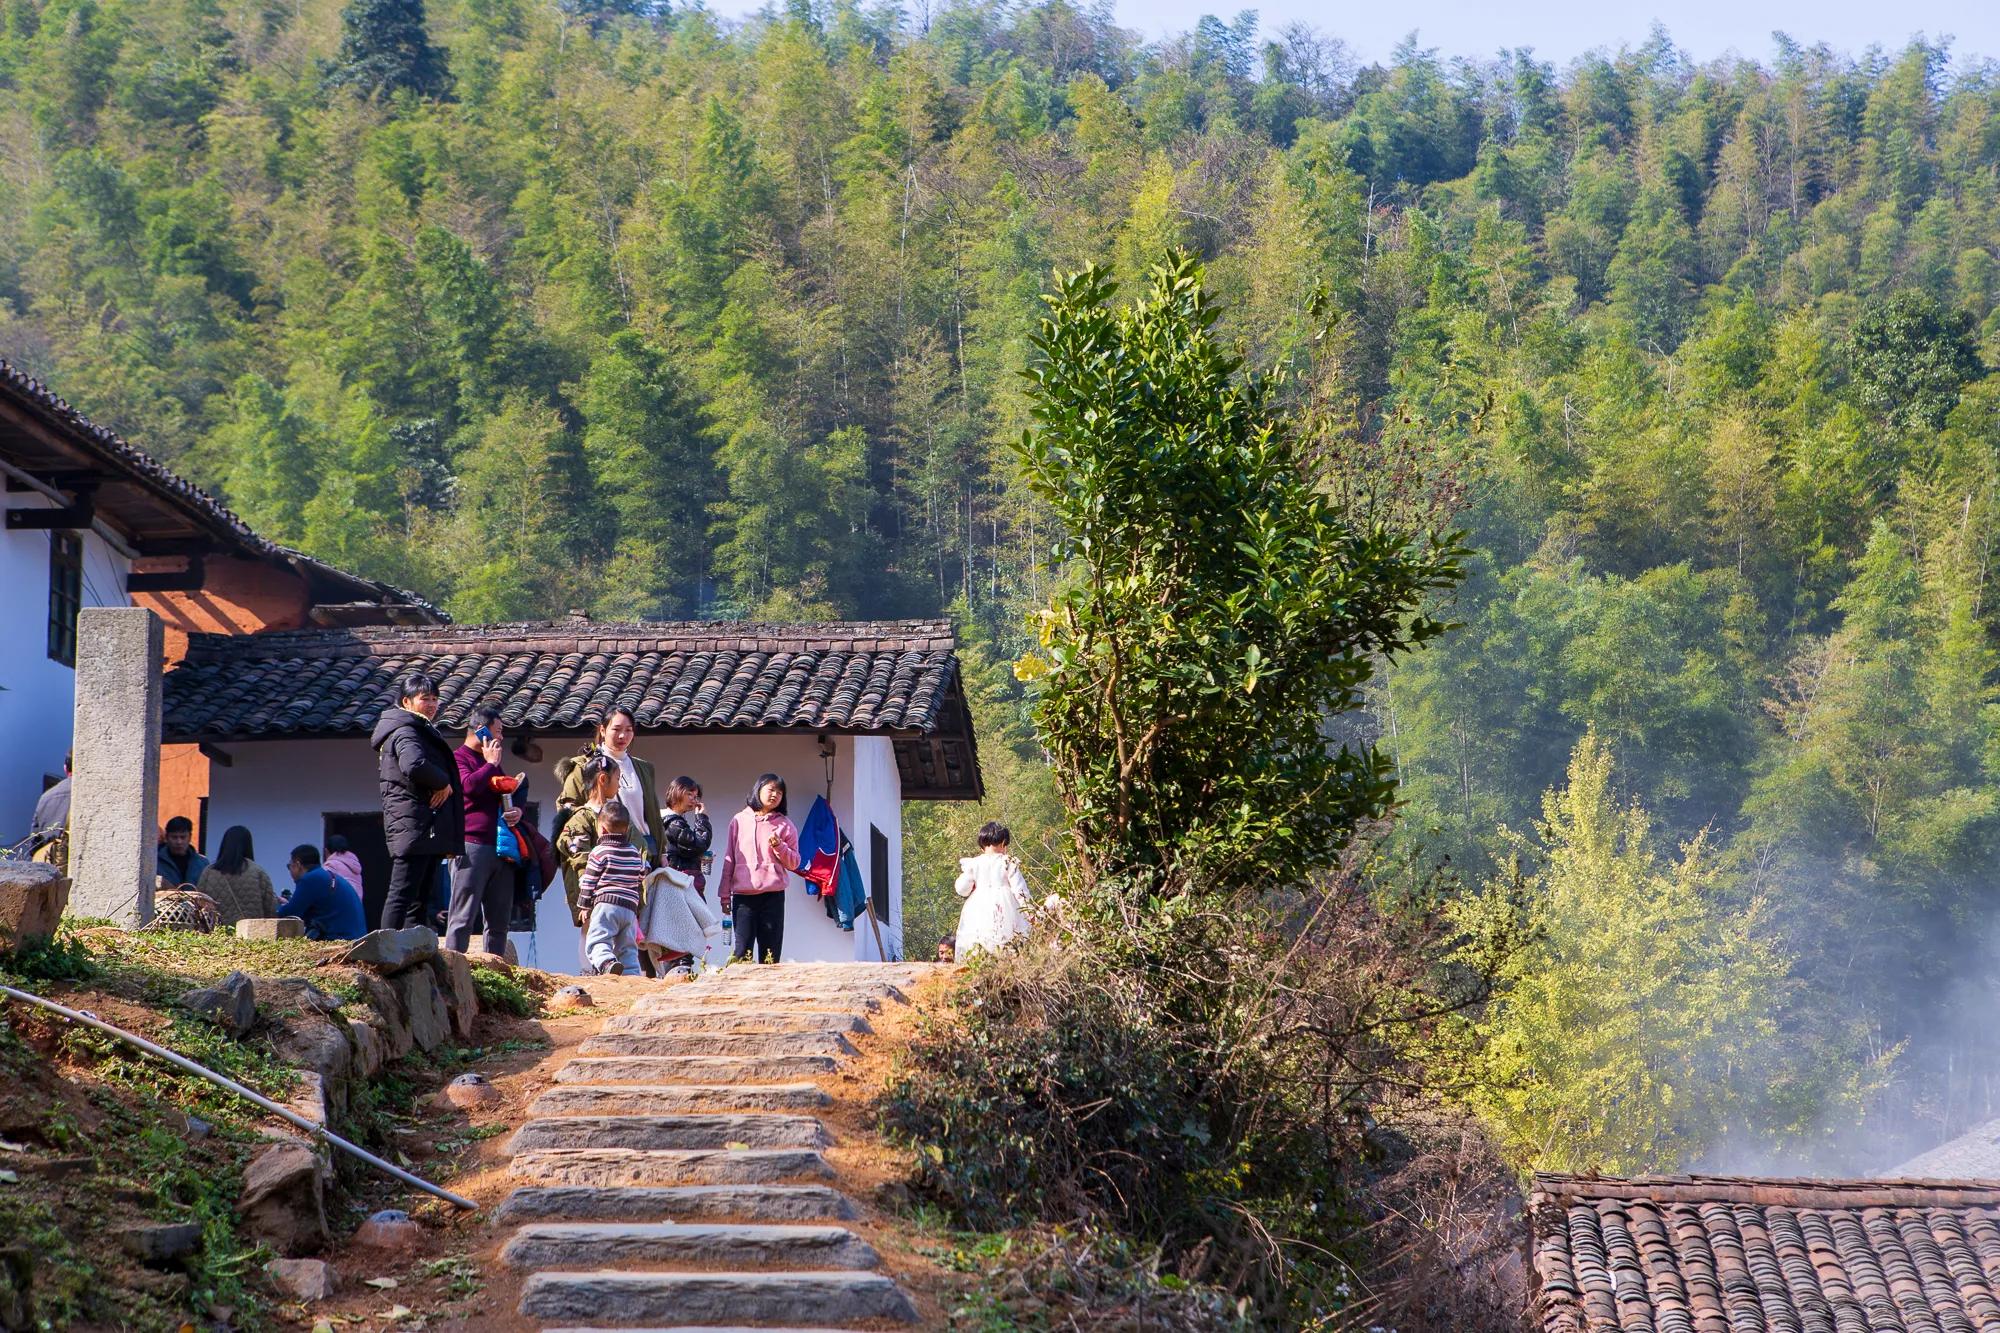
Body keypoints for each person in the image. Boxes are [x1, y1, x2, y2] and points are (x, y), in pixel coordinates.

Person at [372, 672, 463, 931]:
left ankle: (413, 951)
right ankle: (385, 949)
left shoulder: (417, 729)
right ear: (406, 702)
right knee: (402, 894)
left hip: (423, 823)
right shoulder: (405, 730)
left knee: (419, 898)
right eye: (425, 698)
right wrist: (443, 783)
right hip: (412, 823)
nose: (432, 704)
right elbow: (414, 764)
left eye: (435, 698)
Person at [444, 706, 526, 956]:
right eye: (498, 731)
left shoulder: (492, 762)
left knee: (499, 920)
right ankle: (453, 970)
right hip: (472, 845)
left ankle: (496, 975)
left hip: (500, 846)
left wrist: (517, 810)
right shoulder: (458, 758)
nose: (500, 738)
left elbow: (502, 794)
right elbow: (468, 787)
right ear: (481, 730)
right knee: (463, 916)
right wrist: (490, 764)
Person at [556, 706, 667, 865]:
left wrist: (662, 852)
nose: (623, 735)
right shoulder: (583, 766)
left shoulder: (644, 768)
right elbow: (568, 810)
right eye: (616, 729)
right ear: (602, 730)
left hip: (644, 852)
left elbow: (653, 813)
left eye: (629, 730)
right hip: (605, 853)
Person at [716, 774, 799, 964]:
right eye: (771, 789)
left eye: (780, 792)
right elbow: (730, 859)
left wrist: (780, 846)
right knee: (742, 950)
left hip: (773, 896)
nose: (775, 795)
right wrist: (724, 895)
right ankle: (739, 991)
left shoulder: (785, 825)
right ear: (758, 789)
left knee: (770, 952)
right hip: (743, 897)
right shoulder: (738, 820)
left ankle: (770, 991)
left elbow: (794, 863)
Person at [578, 799, 647, 976]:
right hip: (629, 909)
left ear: (601, 829)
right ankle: (632, 975)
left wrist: (584, 905)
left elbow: (589, 880)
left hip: (606, 905)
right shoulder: (634, 851)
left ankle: (607, 962)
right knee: (628, 948)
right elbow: (640, 876)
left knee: (597, 941)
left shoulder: (599, 851)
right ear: (626, 829)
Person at [953, 821, 1032, 958]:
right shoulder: (1008, 862)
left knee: (979, 936)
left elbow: (962, 889)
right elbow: (1020, 890)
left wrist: (972, 887)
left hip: (979, 905)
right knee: (1006, 935)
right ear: (1003, 843)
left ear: (982, 844)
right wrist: (1030, 911)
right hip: (1005, 905)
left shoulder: (974, 863)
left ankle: (980, 961)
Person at [196, 825, 278, 926]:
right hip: (252, 933)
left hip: (217, 934)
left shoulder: (209, 872)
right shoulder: (258, 872)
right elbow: (270, 908)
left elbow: (198, 903)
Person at [281, 845, 366, 941]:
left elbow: (290, 913)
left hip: (341, 940)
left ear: (298, 865)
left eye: (289, 866)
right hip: (357, 938)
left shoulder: (310, 879)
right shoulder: (327, 875)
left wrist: (274, 906)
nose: (290, 871)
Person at [156, 815, 211, 889]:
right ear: (167, 837)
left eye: (183, 837)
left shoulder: (202, 863)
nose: (179, 842)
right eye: (174, 837)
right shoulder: (156, 862)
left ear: (190, 837)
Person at [31, 753, 70, 847]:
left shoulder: (45, 798)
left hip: (50, 858)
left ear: (65, 768)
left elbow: (34, 844)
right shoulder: (94, 794)